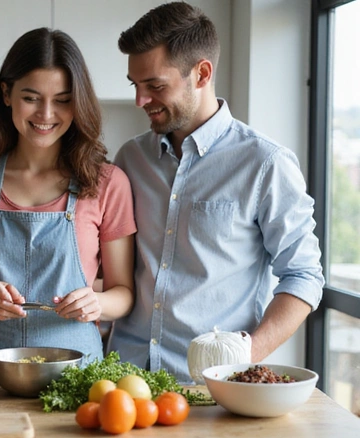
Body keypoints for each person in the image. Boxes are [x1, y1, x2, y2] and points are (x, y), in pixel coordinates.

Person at [109, 2, 325, 383]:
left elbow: (303, 275)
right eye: (136, 86)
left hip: (212, 389)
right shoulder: (130, 158)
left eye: (155, 86)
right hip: (123, 381)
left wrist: (243, 360)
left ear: (202, 73)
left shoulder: (264, 163)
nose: (140, 100)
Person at [0, 27, 137, 378]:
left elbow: (124, 294)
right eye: (32, 97)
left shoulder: (107, 183)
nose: (46, 113)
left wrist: (96, 303)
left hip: (76, 369)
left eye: (63, 99)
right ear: (7, 94)